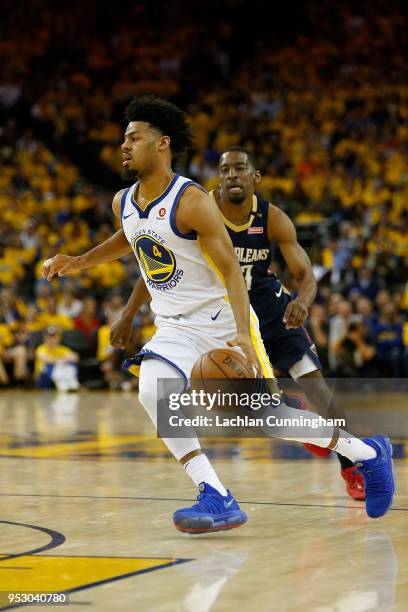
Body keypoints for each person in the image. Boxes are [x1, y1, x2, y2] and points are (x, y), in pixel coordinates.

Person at [43, 95, 395, 531]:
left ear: (162, 144)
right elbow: (129, 238)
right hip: (173, 326)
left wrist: (245, 336)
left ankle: (368, 453)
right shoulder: (123, 201)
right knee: (152, 390)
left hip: (221, 322)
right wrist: (77, 261)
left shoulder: (191, 201)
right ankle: (215, 493)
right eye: (124, 139)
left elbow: (231, 269)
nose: (124, 146)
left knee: (269, 423)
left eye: (134, 138)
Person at [211, 146, 365, 499]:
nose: (232, 175)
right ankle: (297, 416)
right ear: (218, 178)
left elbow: (305, 276)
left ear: (255, 177)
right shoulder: (202, 211)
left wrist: (302, 302)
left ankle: (351, 467)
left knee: (321, 393)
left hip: (273, 313)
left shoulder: (273, 218)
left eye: (239, 168)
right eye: (225, 170)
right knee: (245, 410)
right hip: (226, 317)